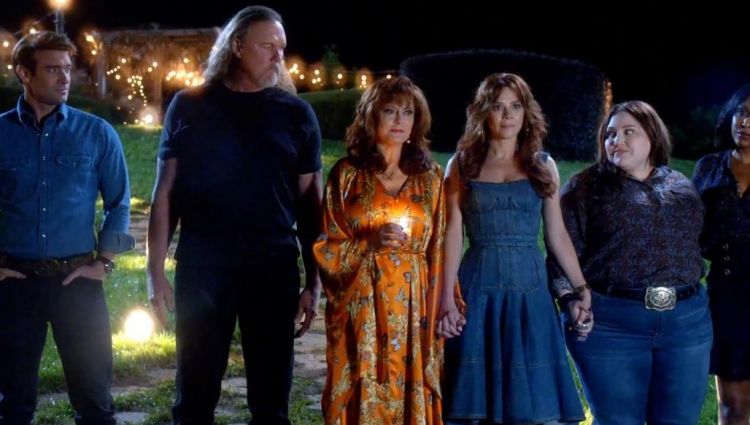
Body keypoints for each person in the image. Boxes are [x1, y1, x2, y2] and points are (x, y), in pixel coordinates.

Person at [145, 6, 323, 425]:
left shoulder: (296, 114)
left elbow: (311, 203)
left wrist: (314, 281)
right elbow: (165, 191)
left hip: (273, 267)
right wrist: (154, 272)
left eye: (282, 48)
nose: (278, 57)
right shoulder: (189, 106)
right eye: (267, 46)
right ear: (237, 46)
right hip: (204, 268)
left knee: (271, 398)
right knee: (194, 392)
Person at [549, 100, 713, 425]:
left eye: (628, 132)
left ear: (652, 136)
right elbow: (558, 252)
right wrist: (569, 299)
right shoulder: (585, 189)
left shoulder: (682, 187)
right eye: (610, 134)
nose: (616, 141)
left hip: (686, 324)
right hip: (612, 326)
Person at [438, 73, 589, 425]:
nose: (507, 115)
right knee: (476, 398)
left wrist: (581, 286)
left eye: (515, 106)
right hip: (479, 288)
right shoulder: (461, 164)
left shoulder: (543, 164)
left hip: (530, 291)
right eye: (498, 106)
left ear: (526, 112)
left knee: (533, 397)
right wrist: (447, 298)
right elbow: (452, 233)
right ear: (483, 112)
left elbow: (556, 234)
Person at [0, 31, 134, 425]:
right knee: (12, 405)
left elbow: (119, 202)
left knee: (95, 402)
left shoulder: (97, 133)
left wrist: (104, 262)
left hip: (77, 281)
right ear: (24, 73)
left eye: (68, 69)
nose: (65, 78)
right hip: (14, 284)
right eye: (52, 69)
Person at [314, 76, 445, 424]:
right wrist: (367, 243)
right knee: (363, 383)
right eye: (390, 111)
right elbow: (327, 248)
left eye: (408, 112)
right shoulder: (346, 175)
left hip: (414, 305)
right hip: (362, 304)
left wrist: (445, 304)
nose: (400, 120)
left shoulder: (431, 177)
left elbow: (439, 248)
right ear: (372, 116)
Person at [693, 83, 750, 425]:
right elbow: (690, 231)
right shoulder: (709, 167)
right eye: (741, 112)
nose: (744, 122)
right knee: (732, 405)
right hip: (726, 294)